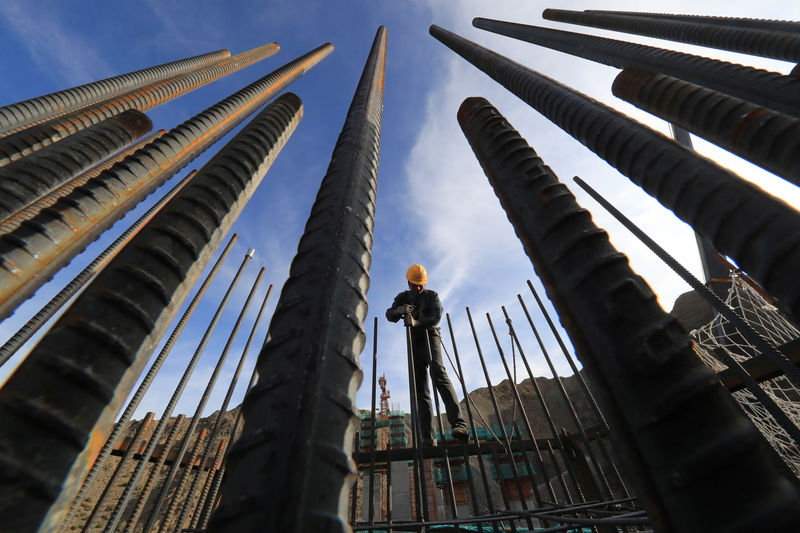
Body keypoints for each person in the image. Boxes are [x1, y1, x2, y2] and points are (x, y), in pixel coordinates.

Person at [386, 264, 469, 444]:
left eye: (420, 284)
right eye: (414, 284)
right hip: (414, 342)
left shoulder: (432, 296)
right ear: (408, 282)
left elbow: (436, 317)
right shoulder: (403, 297)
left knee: (438, 373)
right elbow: (389, 315)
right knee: (420, 388)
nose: (417, 287)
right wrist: (398, 311)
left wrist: (416, 322)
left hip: (430, 337)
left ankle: (458, 424)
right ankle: (427, 436)